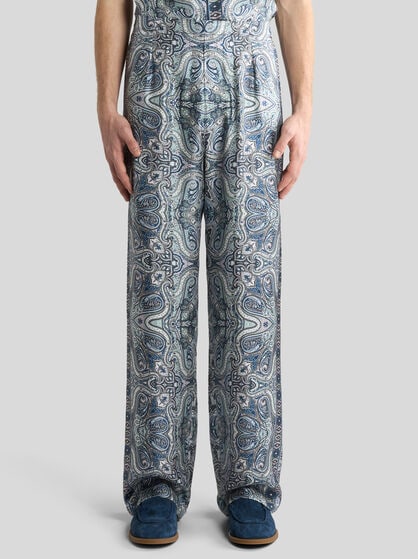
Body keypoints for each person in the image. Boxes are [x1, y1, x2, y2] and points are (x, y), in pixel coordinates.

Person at [94, 0, 314, 547]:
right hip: (157, 88)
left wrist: (304, 107)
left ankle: (249, 485)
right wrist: (104, 106)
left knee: (249, 288)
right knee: (156, 291)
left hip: (251, 90)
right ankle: (156, 483)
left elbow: (293, 3)